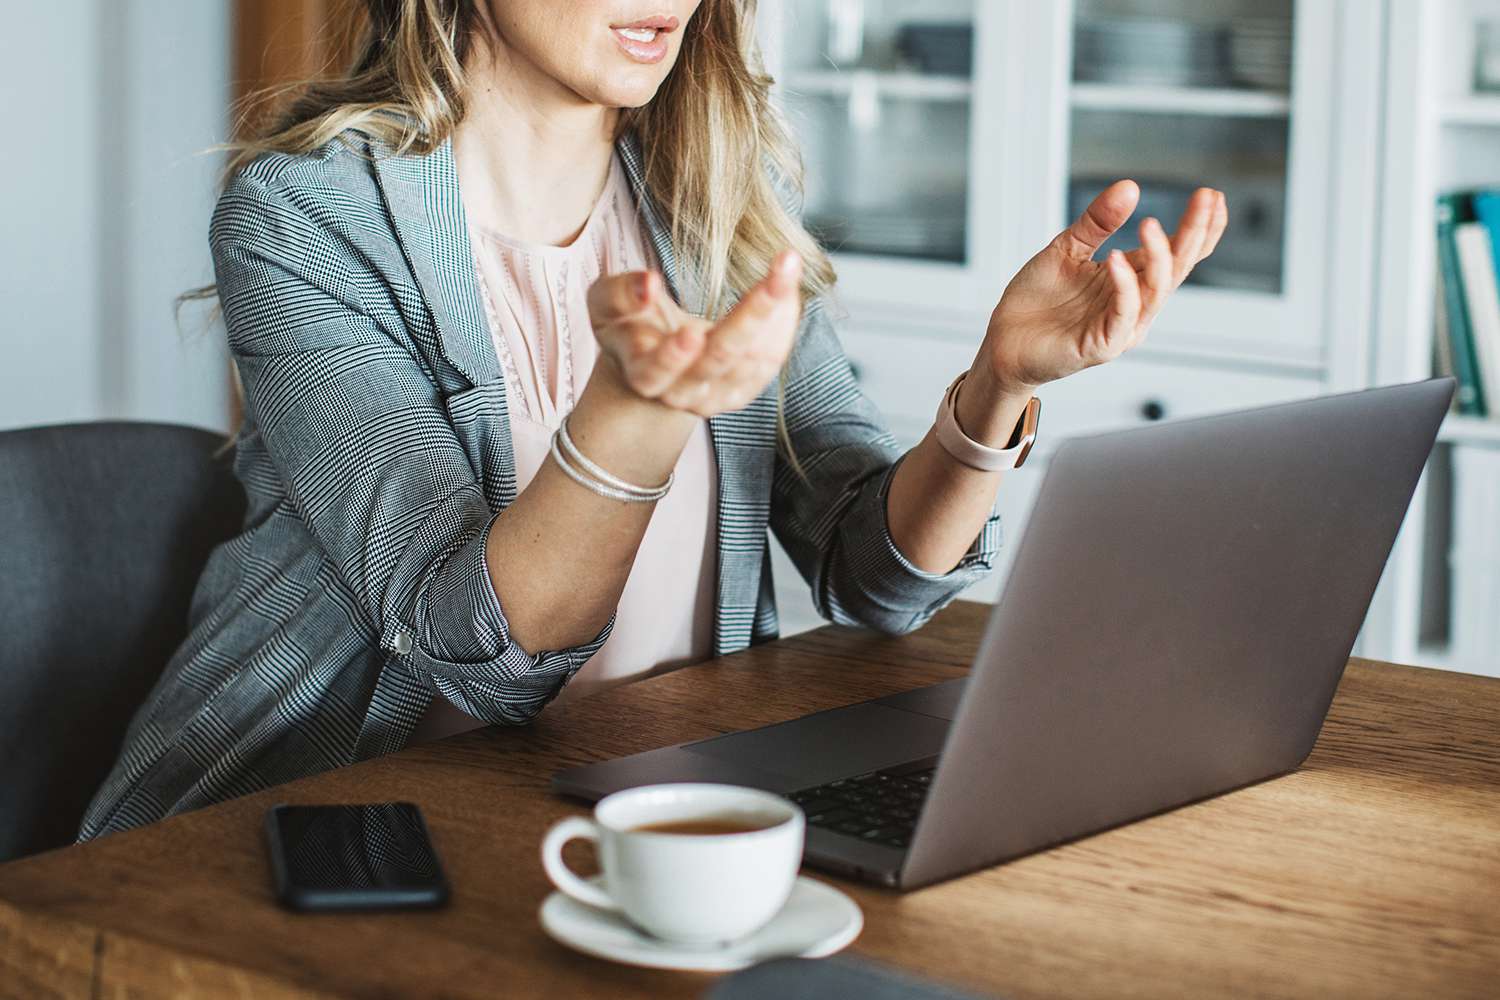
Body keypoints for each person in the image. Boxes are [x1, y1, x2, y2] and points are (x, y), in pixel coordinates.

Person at [80, 0, 1226, 839]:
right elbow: (475, 651)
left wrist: (999, 383)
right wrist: (630, 416)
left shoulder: (713, 207)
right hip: (316, 833)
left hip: (640, 820)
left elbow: (876, 579)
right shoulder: (306, 217)